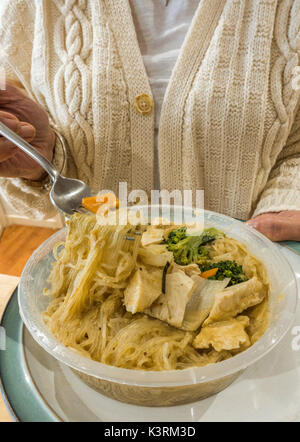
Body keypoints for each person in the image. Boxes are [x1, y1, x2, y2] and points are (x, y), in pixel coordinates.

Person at [0, 0, 300, 241]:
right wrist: (45, 159)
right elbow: (24, 119)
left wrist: (286, 204)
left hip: (242, 277)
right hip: (96, 287)